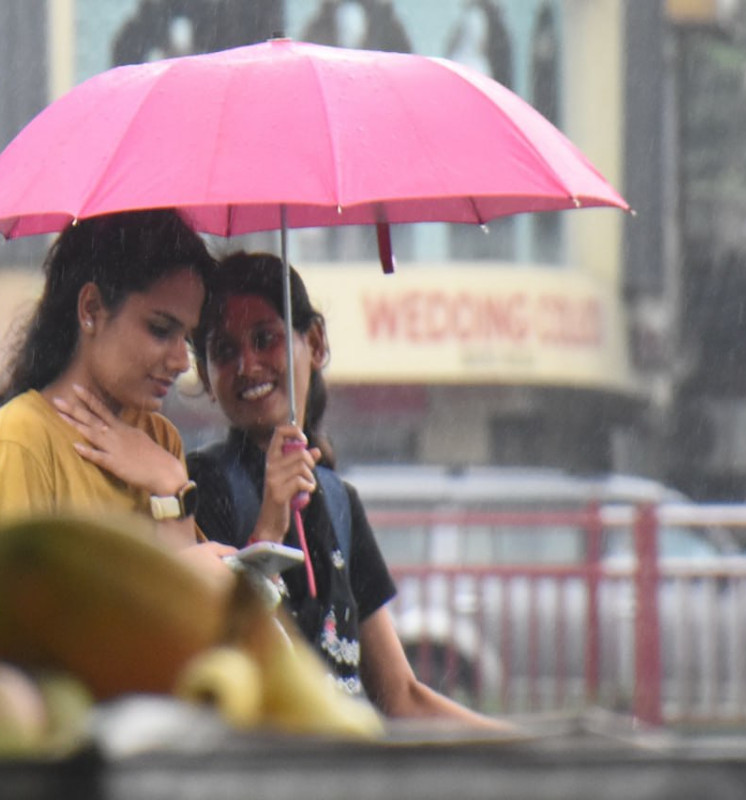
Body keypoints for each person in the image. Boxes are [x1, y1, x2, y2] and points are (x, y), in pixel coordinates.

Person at [187, 251, 507, 729]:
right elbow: (219, 661)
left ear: (314, 343)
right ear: (207, 379)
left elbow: (399, 695)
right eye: (224, 351)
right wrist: (270, 519)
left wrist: (526, 748)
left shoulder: (339, 501)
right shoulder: (200, 484)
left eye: (264, 339)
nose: (248, 365)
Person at [0, 208, 235, 594]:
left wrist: (171, 486)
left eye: (187, 338)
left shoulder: (159, 438)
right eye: (160, 330)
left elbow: (187, 620)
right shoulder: (18, 441)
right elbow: (12, 636)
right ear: (91, 309)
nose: (180, 362)